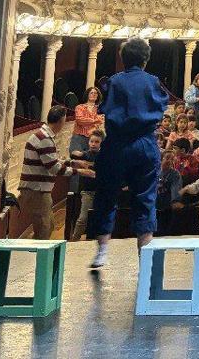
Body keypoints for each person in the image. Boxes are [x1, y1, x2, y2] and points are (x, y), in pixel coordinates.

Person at [88, 37, 169, 268]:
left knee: (106, 195)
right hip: (144, 144)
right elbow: (161, 107)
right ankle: (145, 258)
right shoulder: (152, 81)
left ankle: (102, 252)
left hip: (116, 144)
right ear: (146, 59)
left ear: (123, 58)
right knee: (145, 198)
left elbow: (104, 109)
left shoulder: (114, 81)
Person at [19, 106, 93, 239]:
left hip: (37, 189)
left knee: (47, 225)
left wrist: (73, 162)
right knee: (44, 228)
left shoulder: (43, 136)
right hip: (36, 190)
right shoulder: (44, 139)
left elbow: (52, 160)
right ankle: (37, 258)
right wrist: (80, 171)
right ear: (60, 121)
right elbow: (54, 168)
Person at [69, 129, 103, 241]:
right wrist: (75, 154)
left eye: (96, 142)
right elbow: (74, 155)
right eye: (91, 141)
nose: (93, 144)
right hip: (87, 192)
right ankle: (74, 240)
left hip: (101, 192)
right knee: (82, 218)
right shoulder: (85, 154)